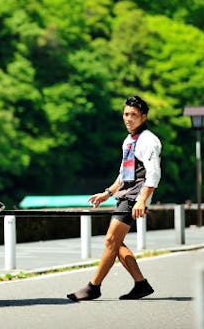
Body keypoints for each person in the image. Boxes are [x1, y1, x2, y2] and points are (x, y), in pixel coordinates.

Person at [66, 95, 162, 301]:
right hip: (125, 195)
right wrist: (107, 193)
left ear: (143, 117)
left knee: (111, 240)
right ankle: (141, 284)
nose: (129, 119)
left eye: (134, 115)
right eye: (126, 114)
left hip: (135, 196)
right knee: (115, 243)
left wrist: (142, 200)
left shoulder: (148, 141)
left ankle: (93, 287)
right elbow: (123, 174)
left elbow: (154, 174)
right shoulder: (129, 140)